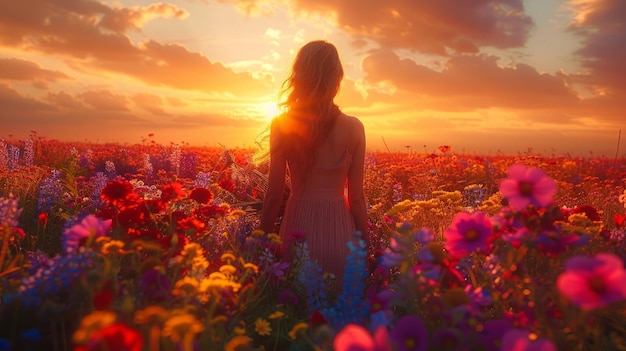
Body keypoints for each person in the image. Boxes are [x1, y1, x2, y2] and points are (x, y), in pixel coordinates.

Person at [259, 40, 368, 287]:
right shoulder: (355, 127)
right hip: (341, 232)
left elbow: (274, 196)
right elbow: (358, 198)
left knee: (294, 312)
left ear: (299, 75)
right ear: (337, 77)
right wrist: (366, 246)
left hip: (299, 228)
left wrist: (262, 244)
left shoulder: (283, 124)